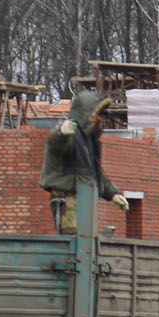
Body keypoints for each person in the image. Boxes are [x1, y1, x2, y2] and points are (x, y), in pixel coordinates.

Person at [40, 90, 129, 234]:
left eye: (101, 115)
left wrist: (112, 194)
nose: (100, 119)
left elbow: (93, 173)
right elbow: (56, 145)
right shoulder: (71, 134)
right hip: (68, 201)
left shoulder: (90, 141)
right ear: (87, 113)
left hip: (86, 200)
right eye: (97, 114)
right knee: (75, 243)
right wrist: (61, 133)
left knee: (85, 243)